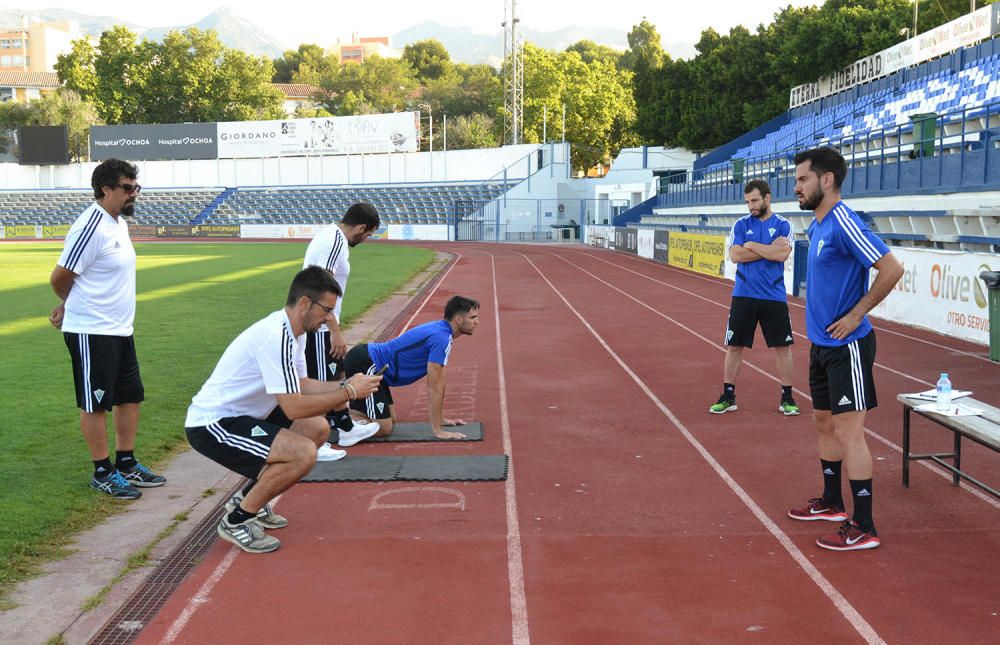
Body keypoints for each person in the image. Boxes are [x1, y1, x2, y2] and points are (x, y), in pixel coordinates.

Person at [184, 266, 383, 553]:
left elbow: (301, 384)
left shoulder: (295, 333)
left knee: (318, 428)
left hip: (246, 415)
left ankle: (248, 499)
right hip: (213, 424)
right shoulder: (274, 336)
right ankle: (238, 520)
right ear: (304, 303)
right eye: (326, 310)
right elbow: (292, 407)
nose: (329, 318)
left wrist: (346, 385)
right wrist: (348, 392)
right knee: (303, 453)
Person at [787, 146, 903, 552]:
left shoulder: (842, 222)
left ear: (827, 180)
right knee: (824, 423)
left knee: (851, 434)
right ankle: (833, 502)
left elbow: (891, 268)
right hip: (822, 346)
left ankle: (864, 525)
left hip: (847, 346)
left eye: (803, 179)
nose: (796, 186)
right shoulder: (818, 226)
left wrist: (856, 315)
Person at [49, 158, 165, 500]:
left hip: (120, 329)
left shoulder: (118, 224)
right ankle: (102, 471)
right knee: (96, 403)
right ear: (105, 189)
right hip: (92, 330)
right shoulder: (91, 225)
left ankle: (126, 462)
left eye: (136, 188)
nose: (134, 194)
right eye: (127, 188)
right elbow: (60, 277)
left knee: (130, 396)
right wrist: (70, 305)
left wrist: (67, 303)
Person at [709, 179, 799, 416]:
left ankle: (787, 397)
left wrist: (752, 245)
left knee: (782, 347)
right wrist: (766, 248)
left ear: (767, 198)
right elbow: (736, 255)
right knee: (734, 346)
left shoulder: (783, 225)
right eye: (748, 201)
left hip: (774, 295)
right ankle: (728, 395)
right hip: (744, 294)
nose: (750, 206)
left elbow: (781, 254)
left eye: (755, 200)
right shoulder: (740, 224)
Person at [302, 202, 382, 460]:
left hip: (321, 321)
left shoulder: (332, 237)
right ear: (360, 227)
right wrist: (334, 328)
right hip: (318, 324)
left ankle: (345, 428)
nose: (366, 239)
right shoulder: (334, 242)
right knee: (322, 382)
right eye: (368, 234)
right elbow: (321, 287)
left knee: (334, 376)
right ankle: (316, 442)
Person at [343, 296, 479, 440]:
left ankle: (341, 415)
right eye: (473, 317)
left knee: (391, 419)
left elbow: (441, 382)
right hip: (367, 363)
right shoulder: (441, 338)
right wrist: (438, 431)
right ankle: (343, 425)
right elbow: (435, 386)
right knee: (384, 427)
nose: (477, 322)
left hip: (376, 367)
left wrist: (441, 419)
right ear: (458, 319)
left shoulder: (442, 333)